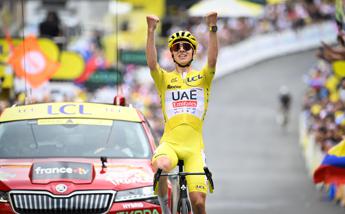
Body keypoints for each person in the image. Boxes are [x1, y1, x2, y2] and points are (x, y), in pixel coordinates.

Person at [146, 12, 218, 214]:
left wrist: (212, 28)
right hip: (171, 144)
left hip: (194, 148)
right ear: (172, 53)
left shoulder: (203, 78)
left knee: (199, 203)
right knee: (161, 167)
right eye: (177, 47)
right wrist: (151, 31)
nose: (182, 50)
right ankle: (165, 209)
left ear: (194, 53)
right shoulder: (165, 79)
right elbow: (152, 64)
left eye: (187, 47)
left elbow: (212, 61)